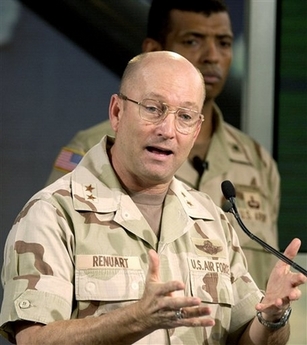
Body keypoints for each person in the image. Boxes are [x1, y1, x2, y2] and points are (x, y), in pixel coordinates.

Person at [0, 51, 305, 345]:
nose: (167, 130)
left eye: (184, 116)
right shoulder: (53, 214)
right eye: (153, 108)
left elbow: (244, 337)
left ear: (196, 129)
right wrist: (136, 319)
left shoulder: (211, 219)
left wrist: (272, 317)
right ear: (117, 113)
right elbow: (34, 339)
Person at [45, 0, 280, 290]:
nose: (212, 56)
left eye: (224, 43)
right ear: (152, 50)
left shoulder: (257, 161)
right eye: (193, 40)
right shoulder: (90, 148)